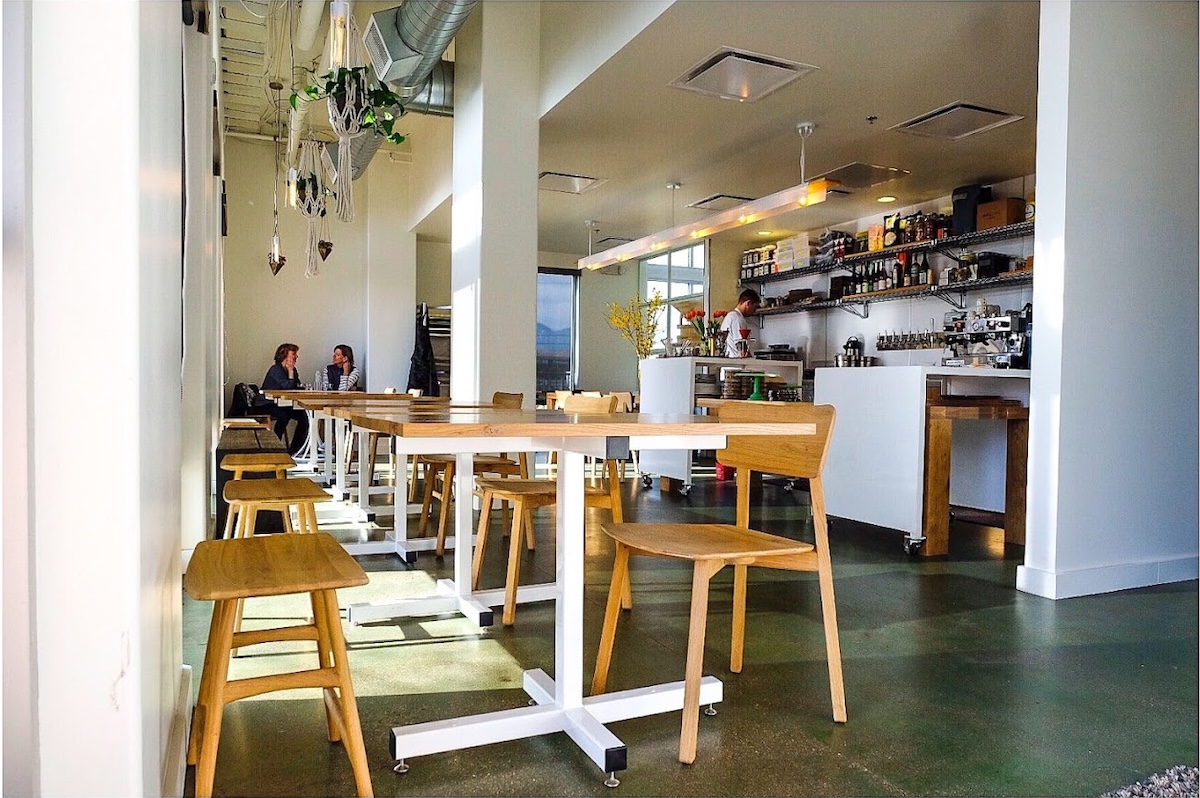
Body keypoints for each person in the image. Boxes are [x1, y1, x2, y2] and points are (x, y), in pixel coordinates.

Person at [262, 342, 310, 455]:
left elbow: (296, 386)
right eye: (293, 354)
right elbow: (288, 387)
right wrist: (291, 372)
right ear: (284, 356)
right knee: (284, 416)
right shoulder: (275, 370)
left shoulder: (293, 370)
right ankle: (275, 447)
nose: (296, 356)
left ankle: (295, 450)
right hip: (267, 403)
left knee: (304, 417)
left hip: (282, 404)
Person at [720, 288, 761, 357]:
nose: (754, 311)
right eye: (754, 307)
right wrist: (752, 360)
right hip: (736, 362)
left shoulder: (730, 316)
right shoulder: (738, 319)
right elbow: (741, 346)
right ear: (748, 303)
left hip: (729, 360)